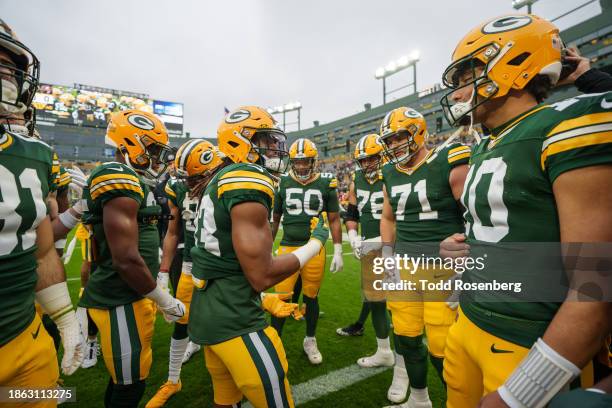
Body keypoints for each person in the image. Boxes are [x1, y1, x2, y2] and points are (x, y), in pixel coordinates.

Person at [438, 13, 612, 408]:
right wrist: (464, 247)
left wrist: (521, 394)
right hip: (469, 318)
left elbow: (596, 287)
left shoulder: (567, 124)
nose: (462, 91)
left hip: (530, 339)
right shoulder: (484, 143)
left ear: (513, 66)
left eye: (469, 75)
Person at [188, 106, 329, 408]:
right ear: (242, 141)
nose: (276, 148)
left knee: (225, 402)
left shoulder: (221, 177)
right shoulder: (246, 178)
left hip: (208, 312)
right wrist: (315, 244)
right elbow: (262, 274)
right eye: (267, 140)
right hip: (235, 318)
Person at [0, 18, 85, 406]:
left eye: (8, 67)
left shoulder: (34, 155)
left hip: (28, 341)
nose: (5, 77)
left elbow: (41, 246)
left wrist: (64, 317)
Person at [78, 109, 185, 408]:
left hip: (131, 294)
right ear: (131, 144)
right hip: (120, 298)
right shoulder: (117, 175)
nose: (157, 158)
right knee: (130, 386)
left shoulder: (133, 177)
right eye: (151, 149)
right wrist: (165, 299)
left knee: (125, 379)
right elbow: (125, 259)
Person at [379, 106, 470, 407]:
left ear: (418, 132)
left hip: (442, 269)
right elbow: (389, 218)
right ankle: (419, 399)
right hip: (405, 265)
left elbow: (475, 214)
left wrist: (468, 266)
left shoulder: (449, 158)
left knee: (443, 350)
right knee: (406, 337)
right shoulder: (389, 171)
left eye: (398, 138)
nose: (393, 146)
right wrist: (388, 256)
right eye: (388, 141)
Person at [146, 139, 225, 408]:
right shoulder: (178, 186)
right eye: (185, 177)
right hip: (191, 263)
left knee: (222, 326)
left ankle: (227, 385)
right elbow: (171, 231)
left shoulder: (226, 186)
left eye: (193, 178)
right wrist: (164, 273)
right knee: (181, 322)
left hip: (220, 266)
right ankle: (172, 379)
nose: (188, 183)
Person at [270, 137, 343, 365]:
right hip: (288, 246)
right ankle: (274, 341)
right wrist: (266, 247)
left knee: (311, 296)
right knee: (281, 296)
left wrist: (338, 249)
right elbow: (275, 218)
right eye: (297, 162)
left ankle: (309, 339)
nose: (301, 166)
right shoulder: (282, 182)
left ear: (314, 161)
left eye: (305, 161)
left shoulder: (326, 183)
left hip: (314, 248)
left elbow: (334, 219)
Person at [337, 134, 396, 368]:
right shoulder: (356, 180)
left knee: (387, 298)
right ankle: (364, 328)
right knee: (372, 292)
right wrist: (352, 236)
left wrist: (382, 240)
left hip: (392, 244)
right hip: (369, 245)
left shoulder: (392, 175)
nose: (367, 164)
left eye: (371, 159)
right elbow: (352, 214)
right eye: (363, 160)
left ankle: (391, 352)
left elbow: (400, 216)